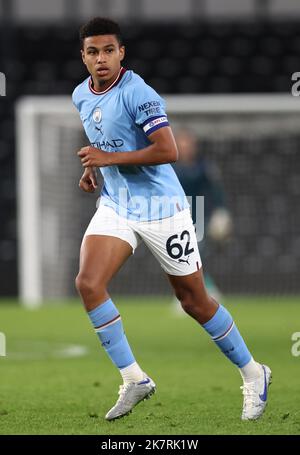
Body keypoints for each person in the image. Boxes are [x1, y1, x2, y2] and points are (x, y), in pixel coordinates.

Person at [72, 17, 271, 422]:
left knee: (194, 301)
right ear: (84, 57)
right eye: (93, 52)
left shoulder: (138, 92)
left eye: (109, 50)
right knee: (89, 283)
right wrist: (95, 167)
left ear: (121, 52)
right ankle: (135, 379)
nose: (101, 59)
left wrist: (108, 158)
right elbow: (103, 141)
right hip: (117, 206)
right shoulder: (81, 95)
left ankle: (254, 373)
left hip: (163, 210)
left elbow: (168, 150)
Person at [172, 128, 233, 305]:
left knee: (196, 254)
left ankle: (201, 291)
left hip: (199, 216)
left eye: (187, 144)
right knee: (181, 257)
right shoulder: (170, 168)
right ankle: (191, 292)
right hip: (176, 216)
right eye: (181, 144)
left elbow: (216, 191)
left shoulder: (203, 167)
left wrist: (221, 211)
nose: (185, 148)